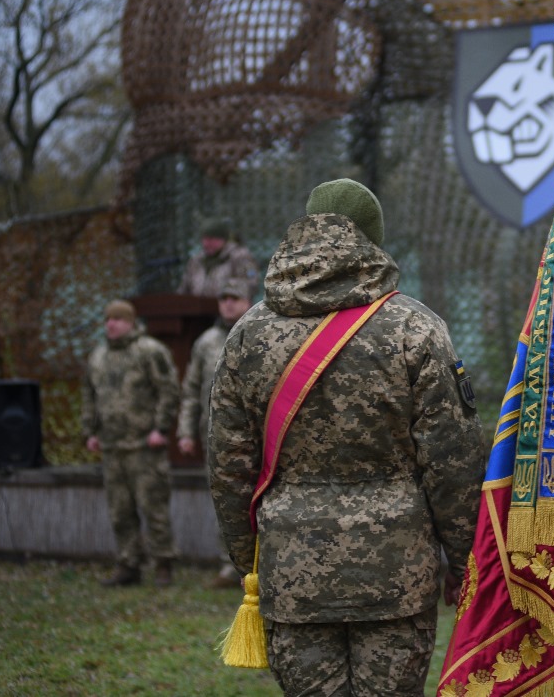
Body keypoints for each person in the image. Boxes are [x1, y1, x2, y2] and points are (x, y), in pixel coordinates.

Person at [208, 178, 486, 694]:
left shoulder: (248, 334)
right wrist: (465, 559)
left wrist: (250, 561)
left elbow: (228, 465)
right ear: (372, 239)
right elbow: (454, 461)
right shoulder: (415, 328)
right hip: (398, 573)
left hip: (292, 571)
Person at [81, 299, 181, 587]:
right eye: (108, 319)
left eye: (118, 319)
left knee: (154, 507)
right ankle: (128, 563)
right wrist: (90, 431)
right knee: (120, 510)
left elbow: (168, 390)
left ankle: (164, 564)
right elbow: (90, 395)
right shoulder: (98, 356)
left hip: (144, 446)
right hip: (113, 446)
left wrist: (161, 428)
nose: (111, 324)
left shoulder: (149, 351)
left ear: (131, 322)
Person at [176, 277, 252, 589]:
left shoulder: (259, 333)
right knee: (224, 500)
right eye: (224, 299)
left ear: (247, 301)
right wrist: (185, 432)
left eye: (235, 298)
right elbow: (191, 390)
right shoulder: (206, 342)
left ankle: (256, 566)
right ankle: (228, 565)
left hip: (253, 436)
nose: (229, 304)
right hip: (215, 437)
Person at [177, 216, 260, 300]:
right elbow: (184, 290)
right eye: (204, 239)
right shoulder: (196, 261)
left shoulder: (239, 257)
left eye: (211, 239)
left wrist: (227, 294)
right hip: (197, 310)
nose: (206, 243)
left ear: (223, 239)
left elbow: (250, 284)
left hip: (229, 309)